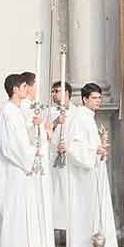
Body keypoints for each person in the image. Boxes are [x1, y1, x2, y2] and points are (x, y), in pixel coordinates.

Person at [0, 72, 54, 247]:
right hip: (12, 171)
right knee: (11, 213)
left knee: (20, 214)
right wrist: (31, 153)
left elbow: (24, 135)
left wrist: (35, 128)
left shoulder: (17, 111)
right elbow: (9, 144)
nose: (27, 90)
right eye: (23, 87)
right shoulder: (8, 111)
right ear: (15, 89)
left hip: (21, 171)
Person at [58, 83, 117, 247]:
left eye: (100, 98)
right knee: (85, 209)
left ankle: (95, 245)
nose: (98, 101)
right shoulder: (79, 117)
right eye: (94, 98)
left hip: (92, 170)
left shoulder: (88, 116)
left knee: (93, 209)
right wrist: (94, 151)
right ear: (85, 99)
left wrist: (99, 146)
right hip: (83, 174)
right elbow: (73, 147)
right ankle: (85, 246)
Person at [47, 81, 74, 235]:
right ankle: (54, 231)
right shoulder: (49, 112)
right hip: (53, 158)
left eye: (57, 90)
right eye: (53, 91)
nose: (54, 94)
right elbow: (44, 132)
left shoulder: (77, 112)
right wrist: (57, 121)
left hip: (70, 158)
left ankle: (69, 232)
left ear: (67, 93)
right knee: (55, 195)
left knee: (68, 195)